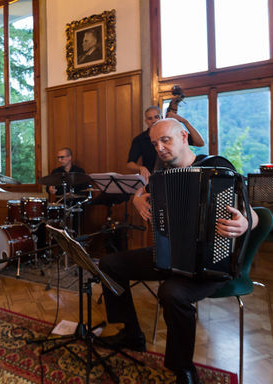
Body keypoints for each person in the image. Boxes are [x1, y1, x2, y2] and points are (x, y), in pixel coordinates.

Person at [100, 118, 258, 384]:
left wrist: (244, 222)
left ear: (184, 137)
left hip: (214, 262)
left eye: (165, 140)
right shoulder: (161, 177)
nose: (159, 148)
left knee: (172, 292)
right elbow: (137, 193)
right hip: (170, 256)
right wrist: (138, 200)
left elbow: (253, 213)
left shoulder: (217, 167)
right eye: (154, 143)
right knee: (109, 264)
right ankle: (131, 333)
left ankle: (183, 369)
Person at [127, 106, 205, 182]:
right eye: (150, 118)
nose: (154, 120)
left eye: (165, 140)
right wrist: (141, 168)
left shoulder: (172, 133)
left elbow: (200, 143)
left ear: (161, 117)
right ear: (146, 121)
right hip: (153, 179)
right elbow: (130, 163)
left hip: (176, 176)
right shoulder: (139, 139)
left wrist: (185, 122)